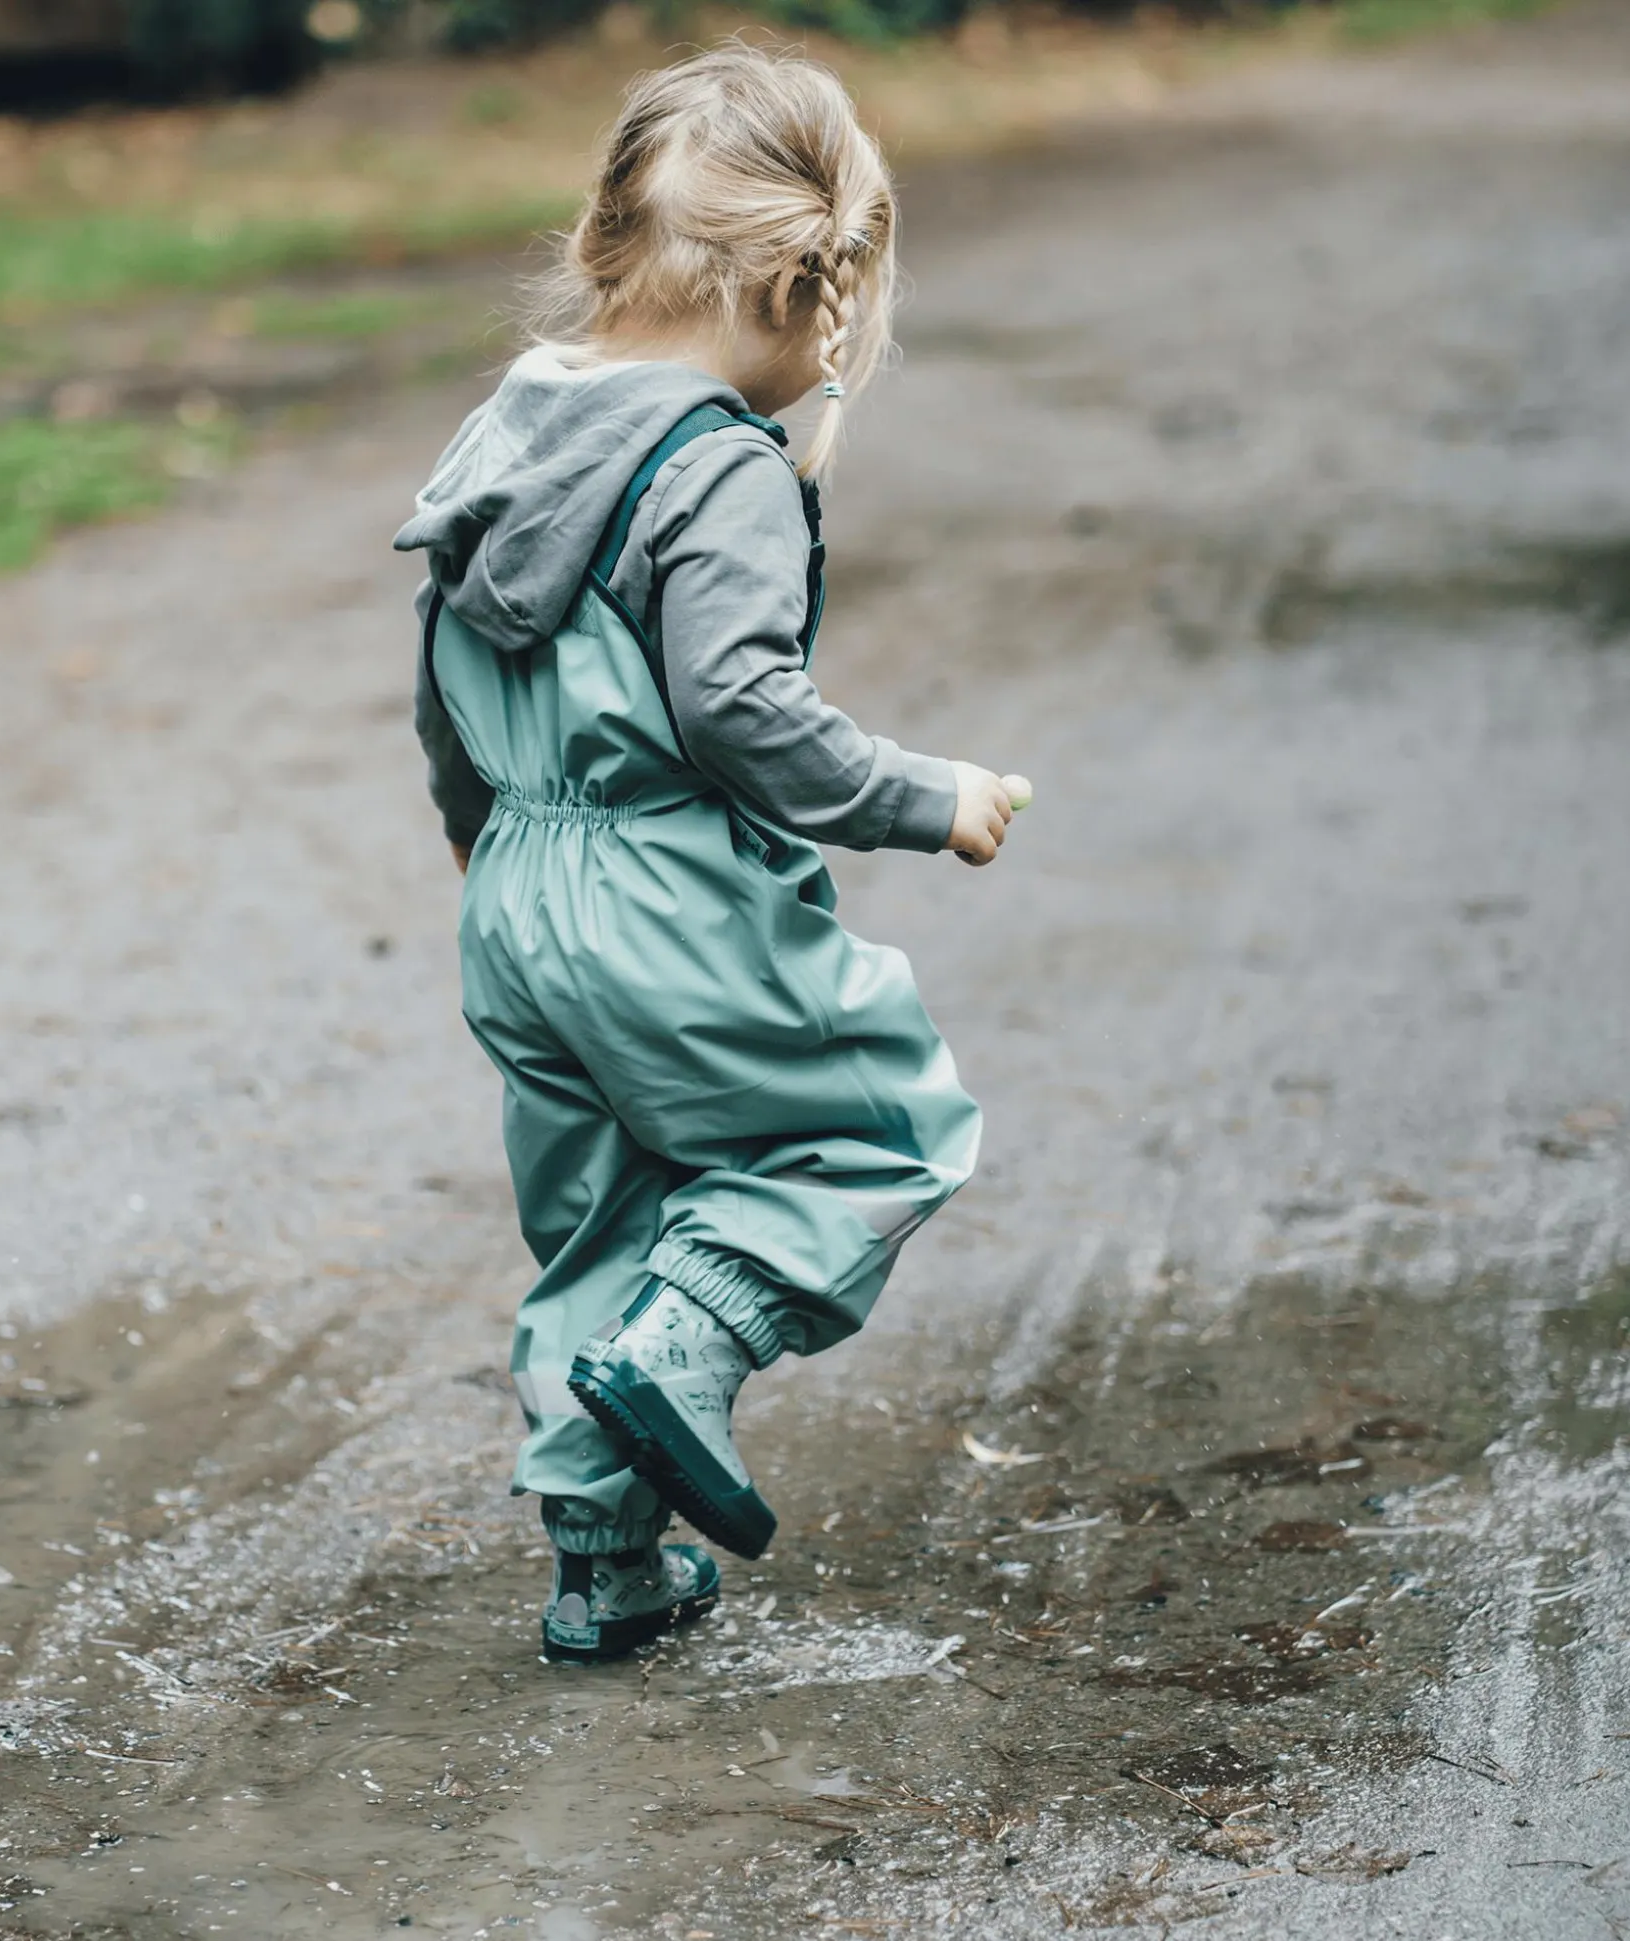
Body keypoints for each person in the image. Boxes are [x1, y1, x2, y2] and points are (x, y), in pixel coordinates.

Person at [393, 43, 1015, 1663]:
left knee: (601, 1217)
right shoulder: (717, 466)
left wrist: (478, 844)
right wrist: (920, 793)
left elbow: (436, 673)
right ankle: (691, 1350)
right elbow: (740, 708)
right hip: (661, 884)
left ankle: (603, 1563)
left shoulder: (507, 429)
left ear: (610, 245)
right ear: (808, 291)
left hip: (520, 892)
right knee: (881, 1132)